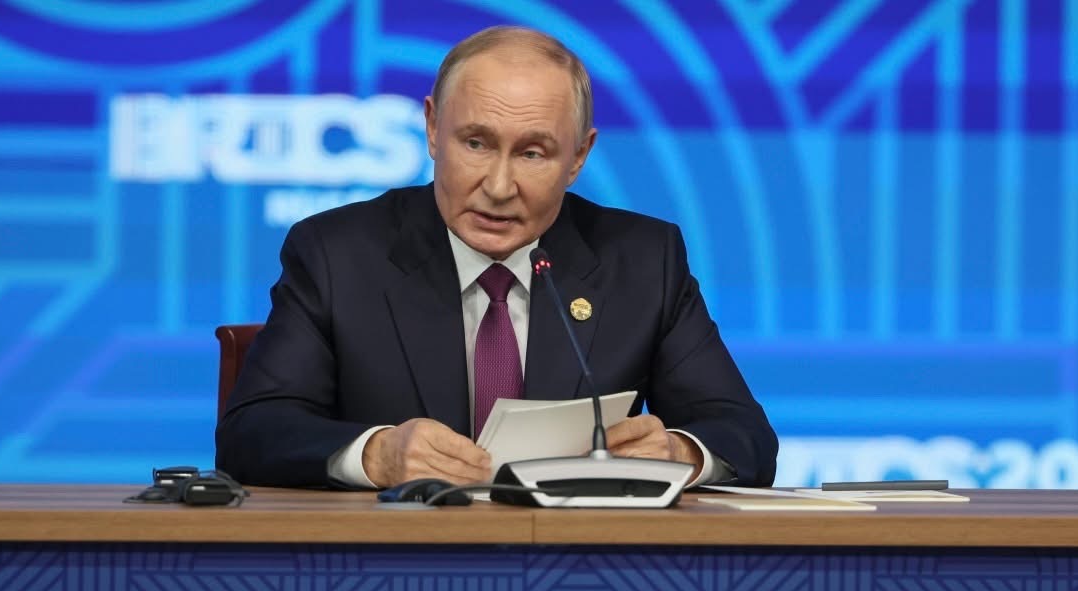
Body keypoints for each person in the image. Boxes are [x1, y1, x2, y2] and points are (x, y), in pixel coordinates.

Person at [216, 26, 776, 489]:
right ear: (432, 127)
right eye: (476, 144)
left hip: (582, 567)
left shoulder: (643, 260)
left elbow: (744, 435)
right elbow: (252, 431)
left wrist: (681, 452)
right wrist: (376, 454)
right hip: (389, 566)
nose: (499, 187)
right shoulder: (337, 254)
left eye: (532, 153)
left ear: (579, 156)